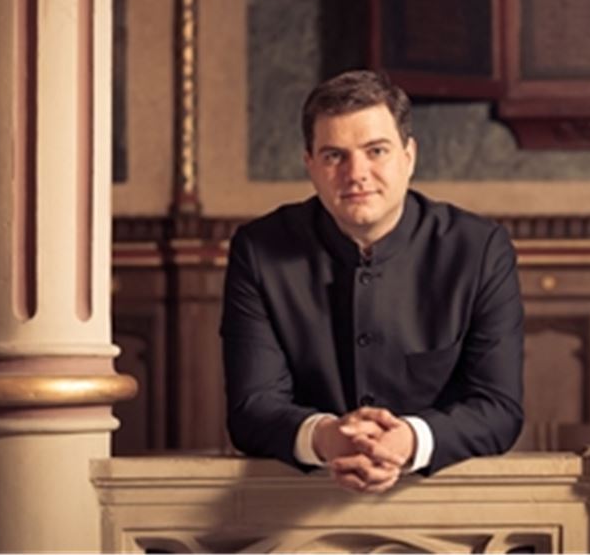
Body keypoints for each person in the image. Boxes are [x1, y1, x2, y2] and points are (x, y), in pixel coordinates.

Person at [220, 70, 524, 494]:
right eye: (333, 156)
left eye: (375, 151)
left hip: (444, 500)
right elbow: (251, 409)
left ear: (409, 156)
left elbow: (499, 408)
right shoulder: (258, 250)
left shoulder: (479, 249)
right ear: (310, 164)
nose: (355, 174)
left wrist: (408, 441)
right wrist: (326, 437)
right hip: (296, 506)